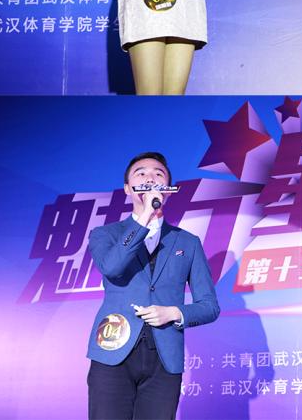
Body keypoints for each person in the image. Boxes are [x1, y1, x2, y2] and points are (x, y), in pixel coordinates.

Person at [86, 152, 219, 420]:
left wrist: (174, 313)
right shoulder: (105, 234)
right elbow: (112, 268)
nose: (150, 178)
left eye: (158, 174)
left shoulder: (188, 242)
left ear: (168, 188)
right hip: (113, 348)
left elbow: (210, 306)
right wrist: (145, 216)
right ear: (128, 188)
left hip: (164, 357)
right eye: (141, 173)